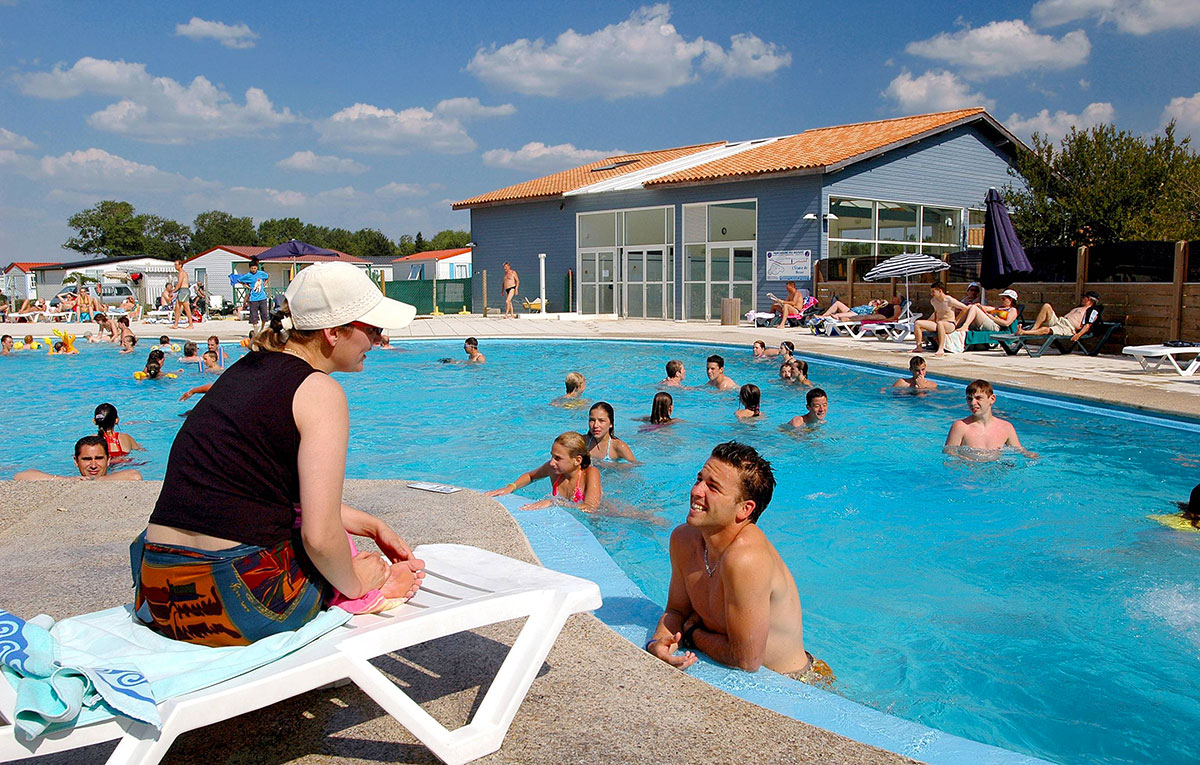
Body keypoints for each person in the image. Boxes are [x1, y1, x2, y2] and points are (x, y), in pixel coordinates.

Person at [133, 261, 423, 647]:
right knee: (361, 570)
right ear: (334, 332)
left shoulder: (243, 371)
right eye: (373, 329)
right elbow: (319, 537)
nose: (379, 340)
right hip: (233, 605)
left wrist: (369, 524)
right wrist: (363, 584)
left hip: (158, 590)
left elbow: (248, 492)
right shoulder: (319, 391)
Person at [645, 442, 828, 682]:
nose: (697, 491)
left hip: (796, 683)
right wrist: (658, 643)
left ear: (744, 509)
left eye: (713, 487)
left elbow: (747, 660)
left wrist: (692, 633)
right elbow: (676, 610)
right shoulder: (683, 539)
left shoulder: (746, 558)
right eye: (699, 479)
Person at [485, 431, 601, 511]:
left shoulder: (590, 474)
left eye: (558, 458)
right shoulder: (553, 470)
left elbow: (591, 508)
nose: (551, 462)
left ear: (577, 460)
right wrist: (511, 487)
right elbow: (530, 476)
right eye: (552, 456)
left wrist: (553, 502)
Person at [944, 379, 1037, 458]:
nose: (973, 403)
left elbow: (1018, 450)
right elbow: (949, 453)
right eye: (969, 399)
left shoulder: (1006, 427)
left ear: (992, 399)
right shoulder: (961, 426)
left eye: (978, 398)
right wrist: (966, 460)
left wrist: (1029, 455)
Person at [15, 435, 143, 482]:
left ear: (108, 460)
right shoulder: (72, 478)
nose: (93, 465)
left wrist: (97, 480)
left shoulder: (115, 476)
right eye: (87, 459)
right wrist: (66, 480)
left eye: (98, 458)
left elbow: (134, 476)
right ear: (76, 461)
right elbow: (21, 476)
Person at [1017, 291, 1101, 342]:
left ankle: (1024, 332)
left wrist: (1078, 335)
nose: (1082, 299)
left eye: (1084, 297)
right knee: (1047, 306)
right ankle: (1034, 329)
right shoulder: (1079, 307)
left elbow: (1087, 325)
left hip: (1068, 328)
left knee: (1046, 330)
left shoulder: (1092, 311)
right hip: (1059, 321)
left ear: (1089, 299)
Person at [912, 281, 968, 357]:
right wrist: (928, 323)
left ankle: (941, 348)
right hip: (938, 323)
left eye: (933, 292)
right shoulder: (933, 301)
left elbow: (965, 308)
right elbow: (935, 313)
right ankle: (918, 347)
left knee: (940, 323)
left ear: (940, 291)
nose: (931, 294)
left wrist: (957, 320)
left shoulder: (949, 300)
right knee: (918, 323)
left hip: (949, 324)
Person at [234, 257, 271, 332]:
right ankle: (255, 329)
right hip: (253, 298)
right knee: (254, 316)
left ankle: (262, 329)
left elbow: (267, 277)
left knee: (264, 314)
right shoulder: (248, 275)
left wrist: (264, 285)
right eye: (252, 268)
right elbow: (239, 280)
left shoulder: (261, 274)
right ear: (249, 268)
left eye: (254, 268)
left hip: (262, 297)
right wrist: (247, 286)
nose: (253, 270)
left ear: (257, 267)